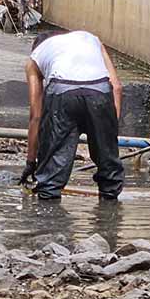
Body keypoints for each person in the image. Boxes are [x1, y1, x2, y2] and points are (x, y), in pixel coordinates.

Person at [21, 30, 125, 200]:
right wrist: (108, 133)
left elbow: (36, 115)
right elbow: (117, 88)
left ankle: (47, 215)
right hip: (99, 91)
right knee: (109, 167)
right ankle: (109, 217)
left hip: (62, 92)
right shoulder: (92, 39)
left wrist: (31, 162)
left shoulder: (35, 58)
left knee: (53, 168)